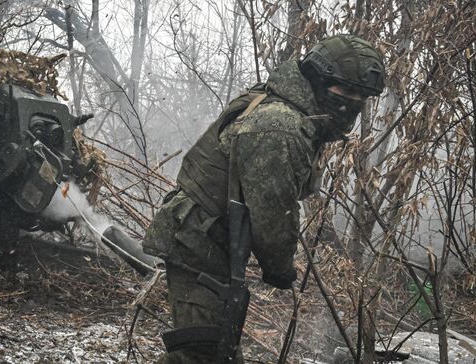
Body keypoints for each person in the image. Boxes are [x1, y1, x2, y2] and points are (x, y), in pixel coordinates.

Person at [143, 34, 385, 364]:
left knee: (214, 350)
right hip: (198, 240)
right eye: (346, 90)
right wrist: (280, 269)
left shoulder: (286, 106)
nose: (352, 102)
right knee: (201, 353)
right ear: (318, 79)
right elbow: (273, 212)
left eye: (361, 95)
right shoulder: (281, 125)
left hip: (210, 238)